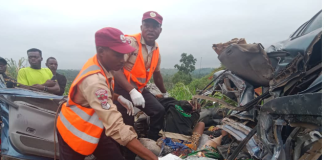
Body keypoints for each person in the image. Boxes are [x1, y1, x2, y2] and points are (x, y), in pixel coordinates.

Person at [56, 27, 158, 160]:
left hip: (96, 127)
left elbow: (101, 94)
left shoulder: (103, 65)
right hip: (73, 130)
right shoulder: (95, 81)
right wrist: (154, 158)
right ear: (101, 51)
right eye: (118, 54)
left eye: (124, 54)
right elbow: (116, 126)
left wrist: (118, 97)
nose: (123, 60)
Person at [114, 11, 167, 140]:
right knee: (128, 124)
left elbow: (157, 74)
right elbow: (115, 70)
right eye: (147, 25)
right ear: (141, 27)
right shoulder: (130, 43)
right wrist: (131, 91)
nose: (150, 29)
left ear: (160, 30)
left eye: (155, 27)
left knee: (158, 111)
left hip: (139, 89)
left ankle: (150, 141)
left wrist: (165, 93)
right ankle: (128, 152)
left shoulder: (156, 50)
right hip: (121, 88)